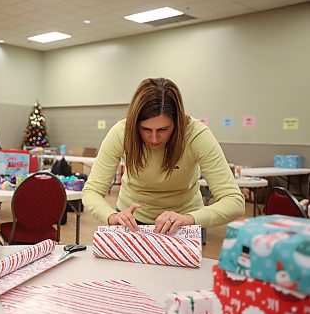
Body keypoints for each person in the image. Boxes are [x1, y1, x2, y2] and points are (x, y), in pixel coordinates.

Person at [82, 78, 245, 234]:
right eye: (145, 129)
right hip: (131, 222)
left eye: (163, 129)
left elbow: (234, 201)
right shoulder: (121, 133)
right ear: (135, 124)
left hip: (183, 223)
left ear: (178, 122)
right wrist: (111, 216)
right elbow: (91, 191)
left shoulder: (196, 135)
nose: (154, 138)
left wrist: (189, 218)